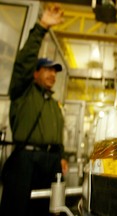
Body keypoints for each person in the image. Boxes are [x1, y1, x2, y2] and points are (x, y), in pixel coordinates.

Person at [0, 3, 68, 216]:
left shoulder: (53, 103)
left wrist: (61, 156)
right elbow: (23, 62)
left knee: (48, 210)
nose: (52, 74)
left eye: (55, 71)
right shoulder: (23, 92)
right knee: (18, 210)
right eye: (47, 69)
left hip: (50, 163)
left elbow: (57, 135)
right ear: (34, 73)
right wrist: (41, 27)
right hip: (25, 162)